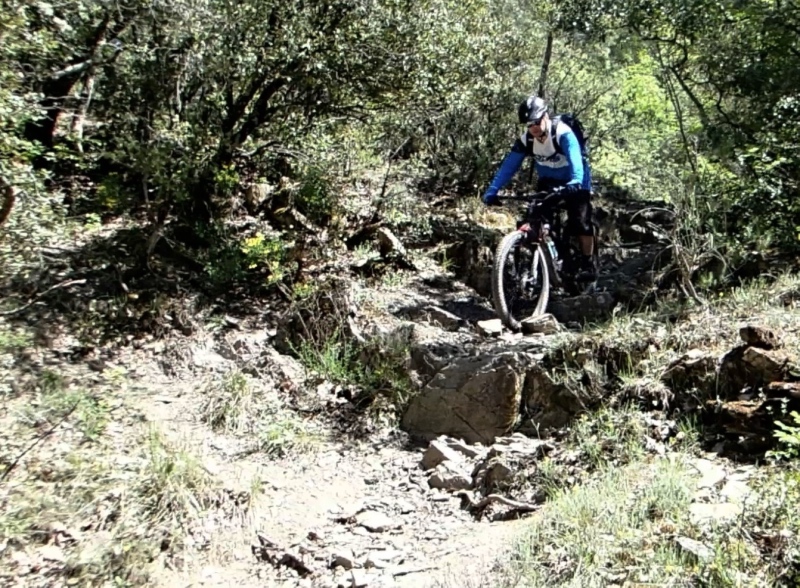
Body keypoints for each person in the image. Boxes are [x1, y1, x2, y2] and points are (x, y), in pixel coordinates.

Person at [482, 95, 597, 281]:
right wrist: (493, 190)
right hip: (549, 181)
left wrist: (575, 182)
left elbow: (576, 161)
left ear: (545, 116)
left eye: (536, 122)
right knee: (535, 217)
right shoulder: (526, 140)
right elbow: (508, 167)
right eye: (529, 124)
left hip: (576, 181)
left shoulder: (563, 133)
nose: (533, 128)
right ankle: (541, 263)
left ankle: (587, 262)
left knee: (580, 222)